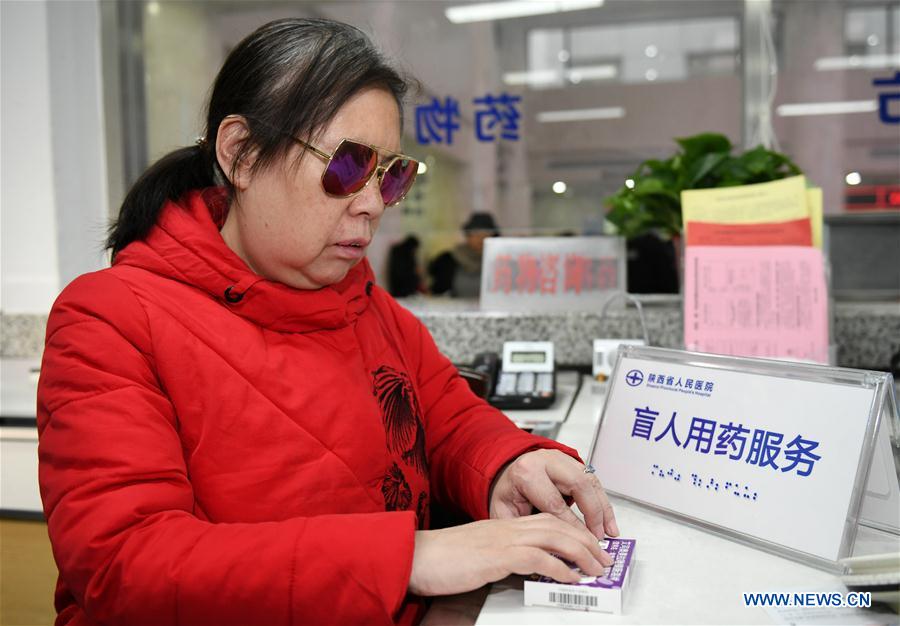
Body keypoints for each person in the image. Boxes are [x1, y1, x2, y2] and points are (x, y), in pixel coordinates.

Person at [36, 18, 617, 626]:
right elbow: (128, 566)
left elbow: (445, 414)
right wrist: (408, 559)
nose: (370, 202)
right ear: (239, 153)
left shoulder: (363, 300)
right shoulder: (111, 318)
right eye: (346, 167)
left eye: (390, 175)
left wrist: (505, 464)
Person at [428, 212, 499, 298]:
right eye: (476, 233)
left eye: (486, 233)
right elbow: (437, 292)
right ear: (468, 236)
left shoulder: (500, 261)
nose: (481, 238)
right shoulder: (449, 260)